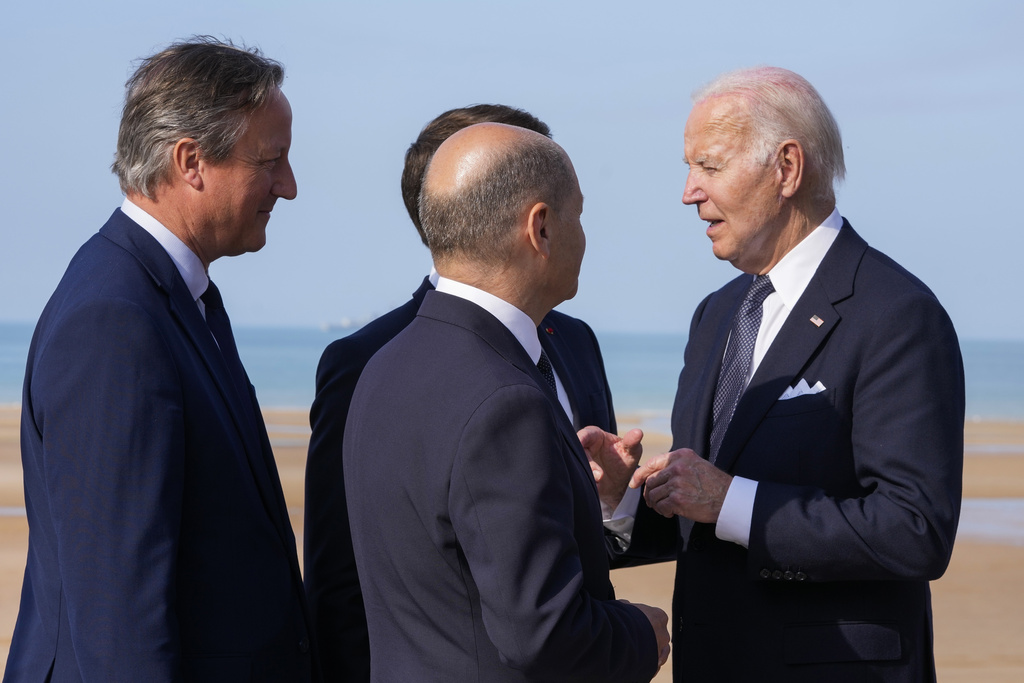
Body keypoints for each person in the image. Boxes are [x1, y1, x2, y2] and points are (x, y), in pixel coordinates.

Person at [625, 66, 965, 681]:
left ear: (786, 168)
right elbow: (702, 508)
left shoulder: (897, 313)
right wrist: (619, 501)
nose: (688, 192)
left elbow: (915, 530)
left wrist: (731, 500)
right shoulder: (716, 313)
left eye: (708, 166)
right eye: (688, 167)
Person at [6, 38, 318, 681]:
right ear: (191, 162)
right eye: (272, 161)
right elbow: (119, 608)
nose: (288, 187)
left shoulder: (175, 295)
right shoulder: (113, 322)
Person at [344, 123, 670, 681]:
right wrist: (644, 630)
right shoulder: (507, 401)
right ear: (540, 227)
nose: (585, 235)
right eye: (578, 214)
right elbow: (545, 635)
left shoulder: (384, 365)